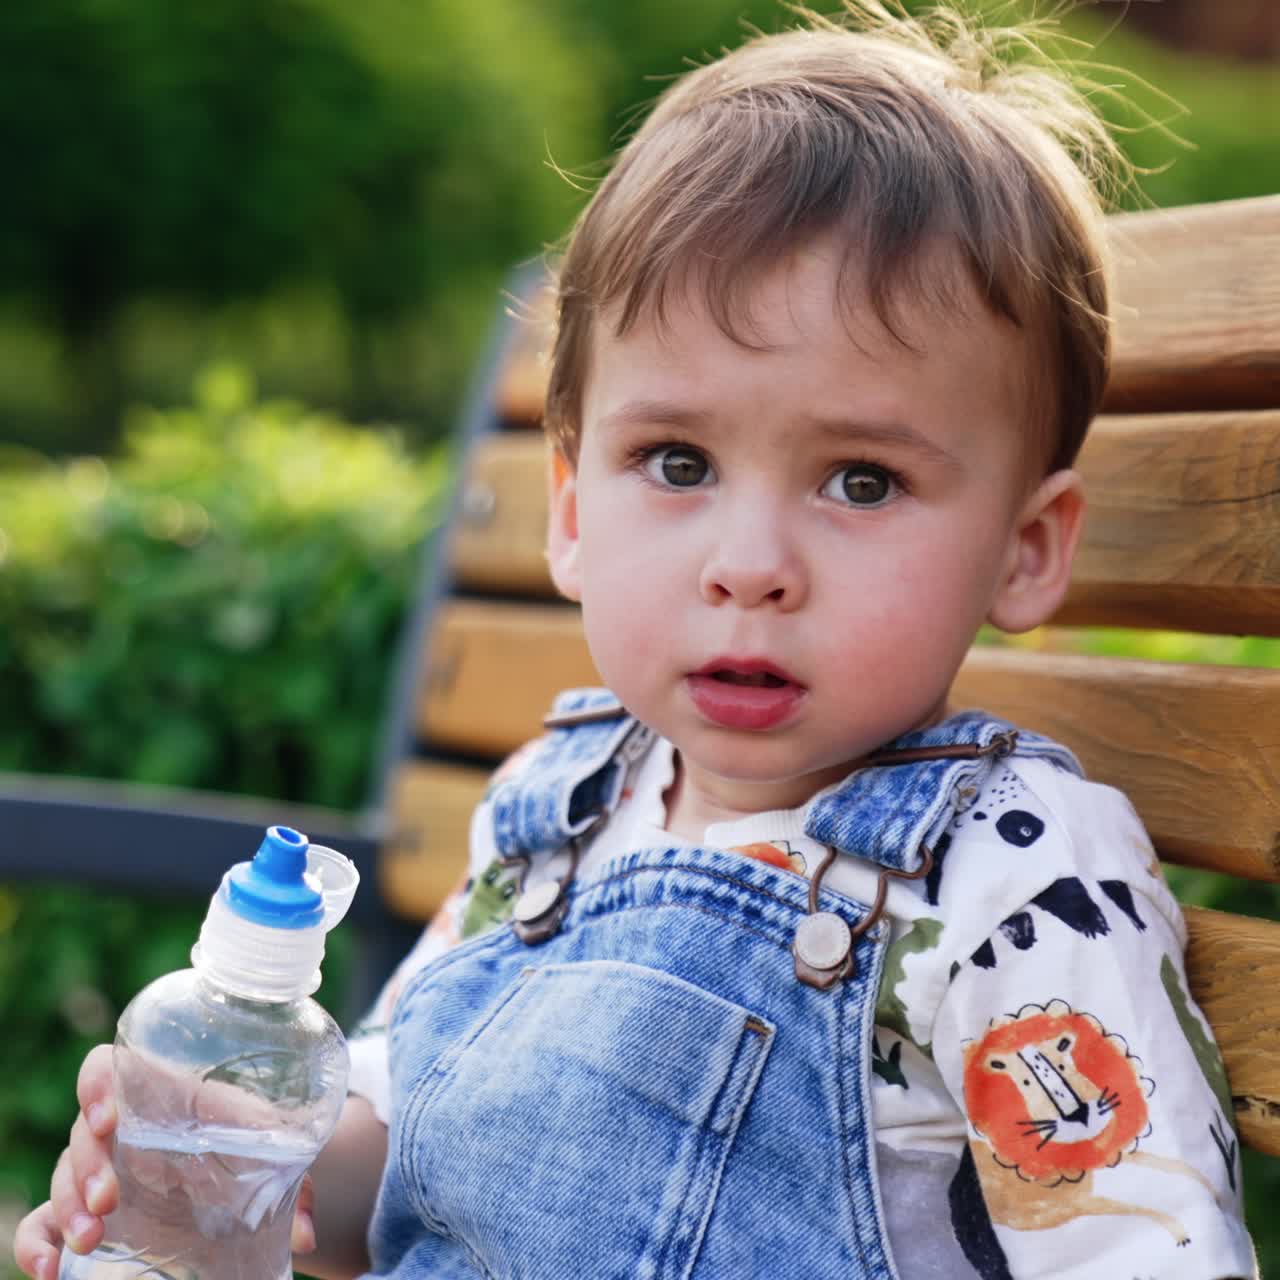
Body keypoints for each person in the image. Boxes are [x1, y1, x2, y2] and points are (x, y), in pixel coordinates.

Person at [14, 2, 1258, 1277]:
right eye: (677, 461)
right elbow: (395, 1155)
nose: (750, 566)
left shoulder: (1008, 876)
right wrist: (218, 1162)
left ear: (1026, 548)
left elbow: (1139, 1252)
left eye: (863, 482)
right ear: (568, 508)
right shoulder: (550, 808)